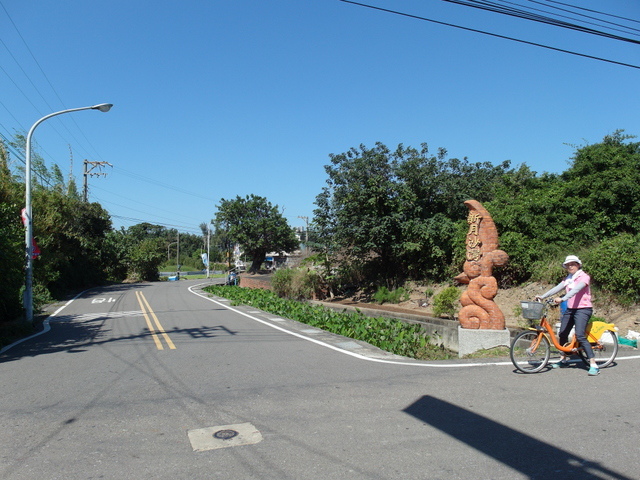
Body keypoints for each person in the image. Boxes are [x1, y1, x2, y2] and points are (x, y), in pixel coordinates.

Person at [535, 255, 600, 376]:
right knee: (563, 333)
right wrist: (543, 296)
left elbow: (576, 290)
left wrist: (563, 298)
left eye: (573, 264)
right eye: (568, 265)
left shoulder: (584, 277)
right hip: (571, 309)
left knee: (580, 335)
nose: (570, 266)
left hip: (583, 309)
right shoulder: (568, 278)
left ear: (578, 265)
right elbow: (557, 288)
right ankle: (563, 359)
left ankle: (593, 364)